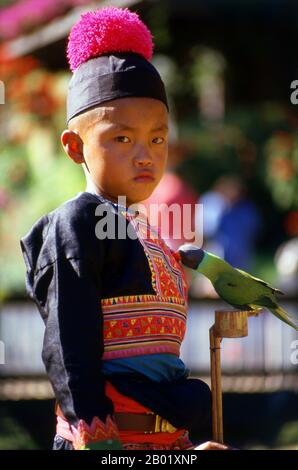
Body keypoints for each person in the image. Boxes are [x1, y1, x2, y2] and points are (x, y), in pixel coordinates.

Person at [20, 7, 229, 451]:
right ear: (75, 147)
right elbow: (69, 346)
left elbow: (155, 374)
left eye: (157, 138)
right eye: (122, 138)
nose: (145, 155)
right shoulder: (76, 225)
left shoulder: (148, 231)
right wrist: (95, 437)